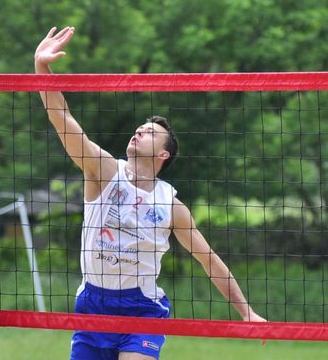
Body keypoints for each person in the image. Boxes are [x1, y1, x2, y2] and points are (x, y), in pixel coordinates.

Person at [34, 26, 266, 360]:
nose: (139, 132)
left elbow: (209, 260)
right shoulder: (103, 171)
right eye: (140, 129)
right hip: (93, 305)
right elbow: (62, 118)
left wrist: (246, 312)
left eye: (150, 133)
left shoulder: (170, 204)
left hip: (141, 307)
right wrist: (41, 66)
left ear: (163, 154)